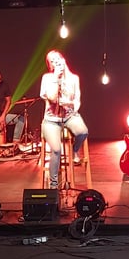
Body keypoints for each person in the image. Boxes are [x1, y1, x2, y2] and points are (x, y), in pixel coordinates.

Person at [39, 50, 88, 190]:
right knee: (56, 149)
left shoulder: (74, 78)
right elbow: (52, 98)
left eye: (57, 59)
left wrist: (71, 104)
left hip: (69, 115)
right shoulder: (47, 78)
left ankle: (74, 150)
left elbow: (77, 100)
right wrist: (56, 78)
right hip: (51, 119)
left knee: (83, 132)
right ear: (50, 66)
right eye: (52, 61)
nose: (56, 62)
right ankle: (53, 185)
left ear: (63, 59)